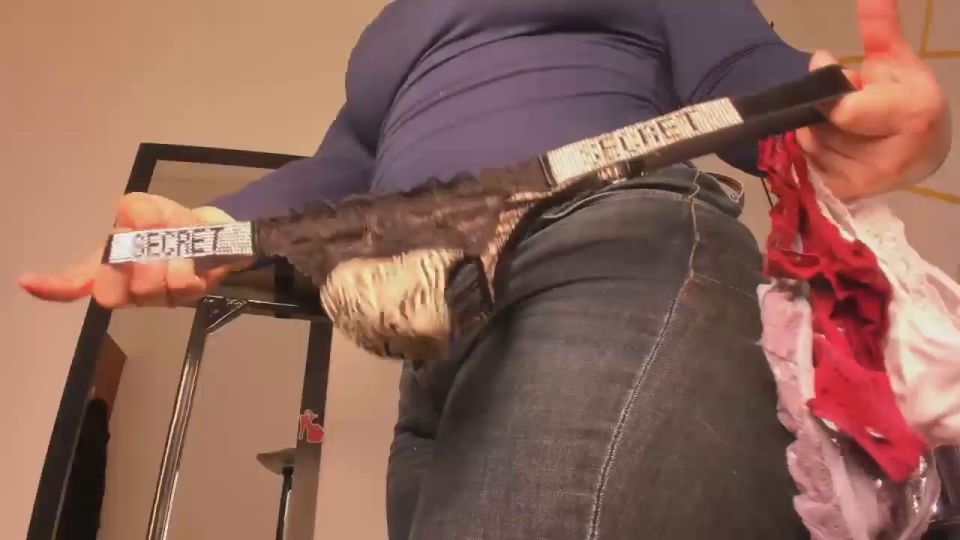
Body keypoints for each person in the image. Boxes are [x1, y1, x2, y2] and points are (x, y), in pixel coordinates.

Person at [20, 0, 951, 538]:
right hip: (433, 357)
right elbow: (341, 170)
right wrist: (199, 227)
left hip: (605, 252)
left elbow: (745, 70)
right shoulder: (389, 34)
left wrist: (842, 111)